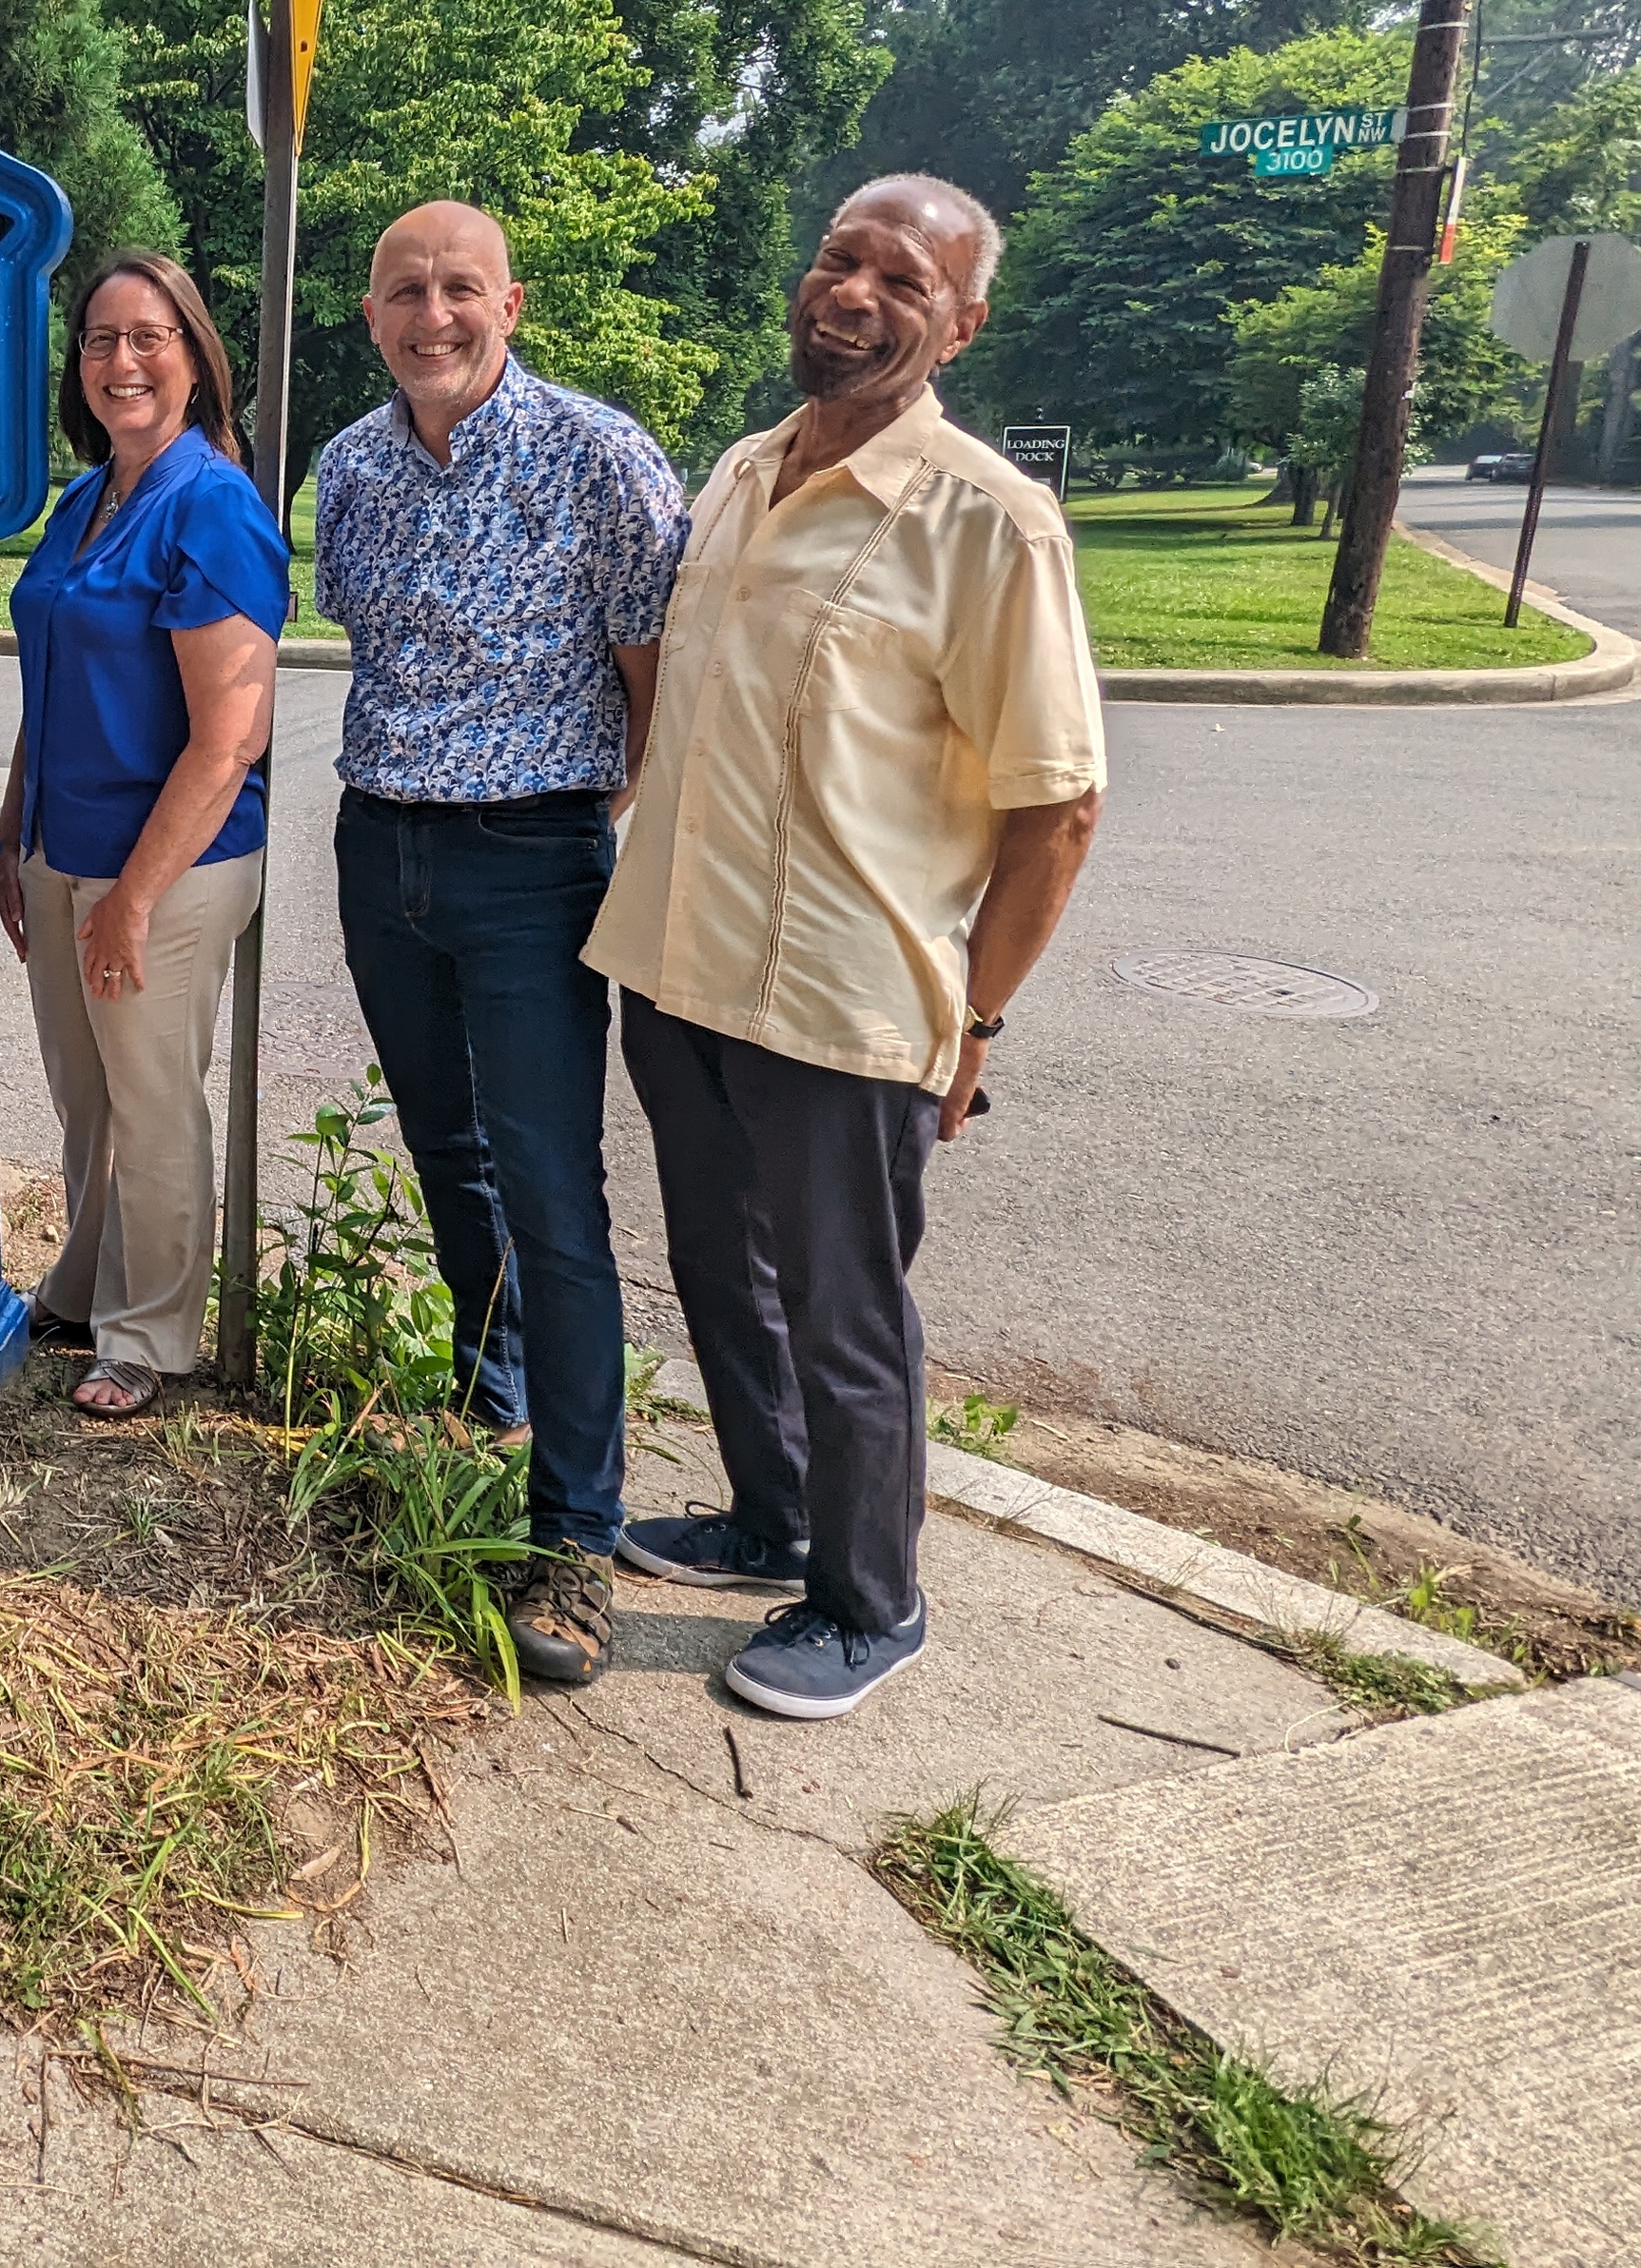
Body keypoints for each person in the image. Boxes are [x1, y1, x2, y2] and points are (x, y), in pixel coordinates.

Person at [589, 175, 1106, 1722]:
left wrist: (979, 1023)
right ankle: (767, 1513)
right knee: (714, 1271)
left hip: (839, 993)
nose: (857, 290)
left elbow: (1060, 809)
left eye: (902, 274)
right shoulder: (745, 469)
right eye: (839, 257)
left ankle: (871, 1597)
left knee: (846, 1307)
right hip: (680, 967)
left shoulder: (989, 521)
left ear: (962, 321)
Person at [310, 200, 688, 1690]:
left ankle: (575, 1538)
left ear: (510, 303)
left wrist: (599, 809)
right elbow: (369, 635)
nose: (433, 315)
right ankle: (493, 1388)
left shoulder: (600, 457)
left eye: (459, 287)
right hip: (378, 841)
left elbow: (656, 671)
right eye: (405, 290)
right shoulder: (348, 468)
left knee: (553, 1190)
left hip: (532, 854)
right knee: (442, 1145)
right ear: (371, 314)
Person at [0, 252, 286, 1420]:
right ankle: (81, 1283)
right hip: (63, 848)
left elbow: (226, 742)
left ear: (195, 355)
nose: (122, 362)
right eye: (101, 341)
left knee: (154, 1097)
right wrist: (17, 836)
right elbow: (50, 676)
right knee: (86, 1094)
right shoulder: (88, 496)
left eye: (148, 337)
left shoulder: (210, 503)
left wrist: (132, 896)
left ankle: (152, 1335)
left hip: (167, 864)